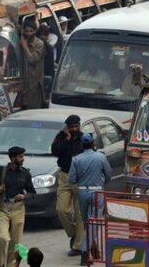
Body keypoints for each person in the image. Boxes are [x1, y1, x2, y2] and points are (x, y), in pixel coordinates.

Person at [69, 132, 112, 266]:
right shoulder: (101, 157)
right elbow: (109, 175)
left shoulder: (76, 159)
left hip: (82, 192)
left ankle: (89, 250)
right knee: (92, 223)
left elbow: (72, 179)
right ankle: (85, 252)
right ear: (93, 143)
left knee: (87, 222)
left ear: (82, 144)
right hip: (97, 192)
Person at [0, 146, 36, 267]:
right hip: (3, 208)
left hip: (18, 208)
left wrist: (24, 197)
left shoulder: (26, 173)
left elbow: (32, 193)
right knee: (2, 238)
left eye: (23, 156)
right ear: (12, 158)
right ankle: (1, 264)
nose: (23, 159)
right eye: (20, 157)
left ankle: (11, 265)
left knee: (15, 243)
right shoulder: (1, 171)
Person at [51, 114, 85, 257]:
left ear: (79, 125)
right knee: (61, 209)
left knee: (79, 213)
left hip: (80, 178)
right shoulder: (60, 137)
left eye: (76, 126)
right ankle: (73, 233)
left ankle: (77, 246)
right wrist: (67, 139)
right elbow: (55, 151)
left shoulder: (84, 138)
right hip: (65, 176)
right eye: (71, 127)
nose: (74, 129)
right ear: (66, 127)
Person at [20, 18, 45, 109]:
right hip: (22, 84)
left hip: (34, 86)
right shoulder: (20, 42)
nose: (29, 34)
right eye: (27, 31)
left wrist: (25, 47)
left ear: (35, 31)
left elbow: (32, 60)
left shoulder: (39, 44)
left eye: (31, 31)